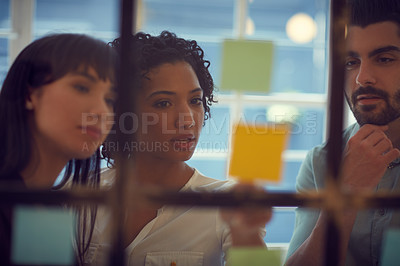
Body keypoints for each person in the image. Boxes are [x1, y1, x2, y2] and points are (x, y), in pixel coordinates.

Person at [85, 31, 271, 266]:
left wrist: (246, 235)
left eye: (195, 101)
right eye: (163, 103)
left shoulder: (225, 203)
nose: (187, 119)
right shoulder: (80, 195)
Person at [285, 0, 400, 265]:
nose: (362, 78)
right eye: (351, 62)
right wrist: (348, 192)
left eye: (384, 59)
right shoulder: (320, 162)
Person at [0, 33, 117, 265]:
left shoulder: (49, 207)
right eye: (82, 87)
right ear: (30, 94)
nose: (102, 110)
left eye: (110, 100)